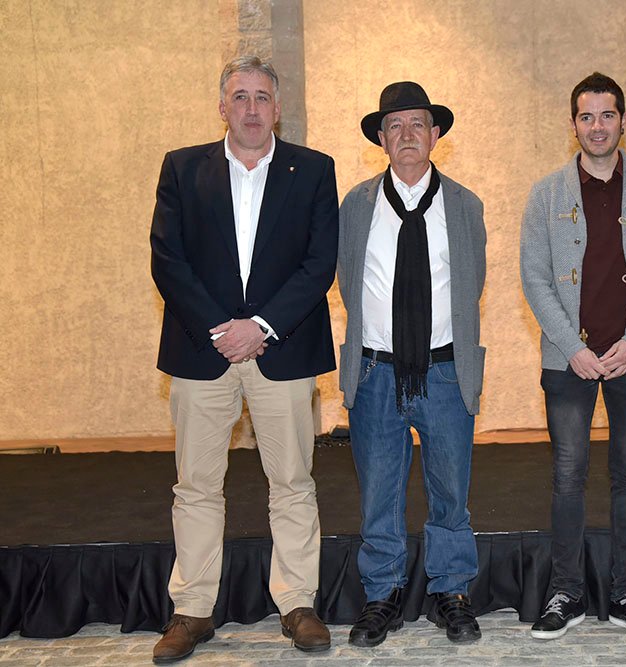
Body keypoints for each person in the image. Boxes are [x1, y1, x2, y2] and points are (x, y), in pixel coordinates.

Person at [149, 56, 339, 662]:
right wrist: (220, 329)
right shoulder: (182, 169)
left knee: (292, 482)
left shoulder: (312, 170)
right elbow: (167, 259)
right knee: (196, 485)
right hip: (200, 351)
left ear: (277, 107)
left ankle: (298, 603)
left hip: (281, 351)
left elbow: (319, 263)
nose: (252, 108)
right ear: (222, 106)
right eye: (240, 96)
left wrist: (260, 326)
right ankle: (193, 610)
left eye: (262, 97)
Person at [520, 72, 626, 640]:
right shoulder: (545, 194)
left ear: (623, 120)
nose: (597, 126)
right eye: (586, 116)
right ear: (573, 125)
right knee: (567, 476)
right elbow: (535, 278)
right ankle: (565, 593)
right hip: (569, 361)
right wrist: (574, 348)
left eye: (607, 115)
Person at [337, 81, 487, 647]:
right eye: (394, 126)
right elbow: (348, 281)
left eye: (417, 124)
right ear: (380, 137)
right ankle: (383, 596)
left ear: (436, 135)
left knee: (451, 490)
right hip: (375, 371)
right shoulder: (356, 205)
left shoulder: (465, 206)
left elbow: (472, 283)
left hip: (446, 371)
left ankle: (451, 592)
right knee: (378, 489)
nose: (406, 135)